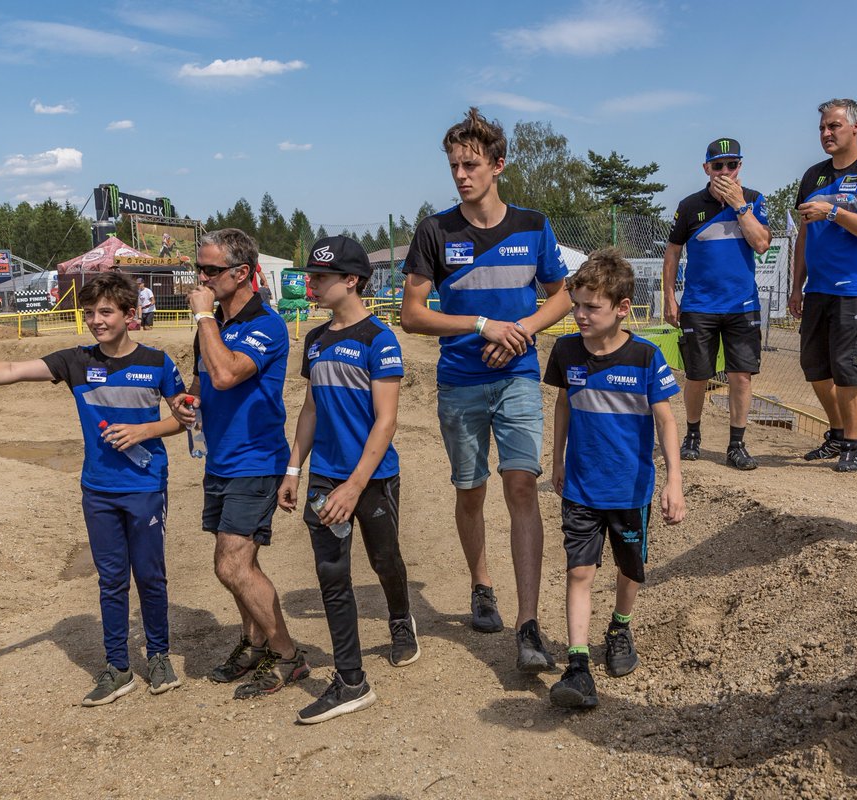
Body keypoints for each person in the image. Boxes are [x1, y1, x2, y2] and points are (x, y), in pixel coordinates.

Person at [0, 272, 191, 706]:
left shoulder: (158, 362)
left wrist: (145, 430)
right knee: (111, 580)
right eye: (89, 314)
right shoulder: (75, 361)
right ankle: (118, 667)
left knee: (151, 577)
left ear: (129, 314)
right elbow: (7, 370)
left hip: (145, 485)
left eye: (105, 312)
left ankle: (158, 655)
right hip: (98, 489)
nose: (96, 321)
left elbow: (184, 418)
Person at [400, 106, 571, 673]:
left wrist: (520, 331)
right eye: (454, 166)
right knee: (470, 491)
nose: (461, 175)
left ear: (499, 165)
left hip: (517, 376)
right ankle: (481, 584)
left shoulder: (532, 224)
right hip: (461, 383)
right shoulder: (435, 230)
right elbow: (412, 315)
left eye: (471, 164)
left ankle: (528, 625)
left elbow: (563, 295)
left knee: (522, 486)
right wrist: (480, 326)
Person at [278, 235, 417, 724]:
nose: (310, 283)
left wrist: (355, 485)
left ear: (351, 280)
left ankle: (401, 621)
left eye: (319, 277)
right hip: (325, 479)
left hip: (372, 479)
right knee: (332, 575)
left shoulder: (380, 339)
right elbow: (312, 406)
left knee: (384, 560)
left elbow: (386, 421)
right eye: (310, 275)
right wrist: (295, 469)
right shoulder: (314, 341)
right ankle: (351, 680)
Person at [544, 249, 685, 708]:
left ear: (622, 308)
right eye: (577, 305)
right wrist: (558, 459)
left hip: (631, 490)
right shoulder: (565, 351)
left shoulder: (645, 356)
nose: (580, 315)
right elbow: (564, 404)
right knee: (579, 570)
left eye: (591, 307)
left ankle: (620, 628)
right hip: (582, 488)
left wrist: (673, 480)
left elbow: (666, 421)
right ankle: (578, 662)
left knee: (629, 568)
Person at [189, 228, 308, 699]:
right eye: (200, 268)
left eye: (211, 270)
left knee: (232, 566)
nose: (202, 277)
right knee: (238, 565)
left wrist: (202, 318)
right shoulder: (213, 323)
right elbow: (204, 383)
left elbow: (225, 373)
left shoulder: (267, 324)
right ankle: (254, 642)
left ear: (242, 273)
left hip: (256, 462)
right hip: (221, 461)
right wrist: (187, 402)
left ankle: (288, 655)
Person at [789, 99, 857, 472]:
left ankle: (853, 443)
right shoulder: (813, 176)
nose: (826, 134)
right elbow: (804, 234)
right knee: (815, 367)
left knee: (849, 370)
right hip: (818, 288)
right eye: (822, 127)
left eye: (834, 126)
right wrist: (795, 285)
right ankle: (836, 434)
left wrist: (833, 211)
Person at [663, 138, 772, 470]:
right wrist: (670, 297)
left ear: (740, 166)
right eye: (718, 165)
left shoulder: (753, 200)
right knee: (697, 376)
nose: (725, 171)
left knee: (741, 377)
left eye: (732, 164)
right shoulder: (689, 205)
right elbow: (672, 253)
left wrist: (740, 206)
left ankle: (736, 445)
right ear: (706, 168)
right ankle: (692, 435)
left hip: (742, 305)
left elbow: (762, 244)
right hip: (699, 305)